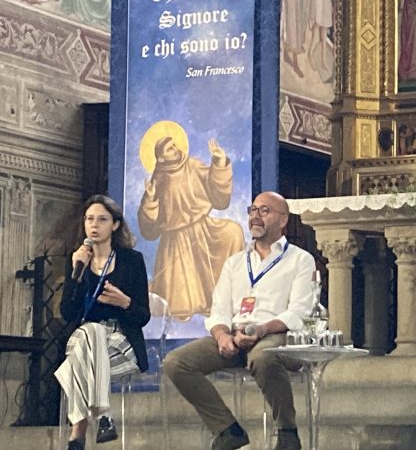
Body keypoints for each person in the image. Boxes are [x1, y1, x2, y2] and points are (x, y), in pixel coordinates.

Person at [164, 192, 315, 450]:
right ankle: (227, 429)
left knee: (263, 357)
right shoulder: (235, 262)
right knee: (177, 362)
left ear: (283, 220)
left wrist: (261, 329)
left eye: (264, 211)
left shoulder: (300, 259)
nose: (255, 216)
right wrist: (222, 335)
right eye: (252, 210)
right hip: (235, 336)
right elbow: (219, 310)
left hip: (276, 334)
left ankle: (288, 431)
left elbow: (300, 312)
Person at [55, 195, 150, 450]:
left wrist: (124, 302)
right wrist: (76, 273)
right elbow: (68, 313)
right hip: (85, 342)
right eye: (89, 219)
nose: (94, 225)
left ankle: (78, 433)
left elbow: (143, 316)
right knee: (90, 332)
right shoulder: (77, 260)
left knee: (74, 361)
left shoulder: (131, 260)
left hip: (120, 344)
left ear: (115, 225)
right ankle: (102, 416)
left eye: (102, 219)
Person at [138, 137, 244, 319]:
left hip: (203, 228)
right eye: (169, 149)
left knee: (233, 232)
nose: (175, 149)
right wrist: (150, 199)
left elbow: (219, 197)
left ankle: (230, 298)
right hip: (176, 240)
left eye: (174, 145)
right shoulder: (159, 178)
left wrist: (219, 163)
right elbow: (149, 229)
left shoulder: (192, 165)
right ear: (161, 158)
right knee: (183, 306)